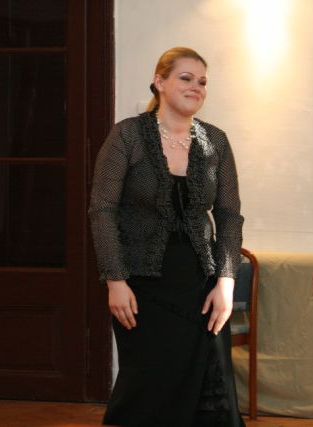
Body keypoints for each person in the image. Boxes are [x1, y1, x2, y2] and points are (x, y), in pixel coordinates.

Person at [89, 47, 245, 427]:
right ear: (159, 82)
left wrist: (225, 283)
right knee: (147, 389)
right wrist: (115, 281)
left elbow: (229, 216)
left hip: (202, 288)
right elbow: (102, 210)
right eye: (185, 78)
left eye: (202, 81)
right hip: (142, 289)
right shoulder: (127, 135)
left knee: (210, 392)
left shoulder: (216, 141)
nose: (196, 87)